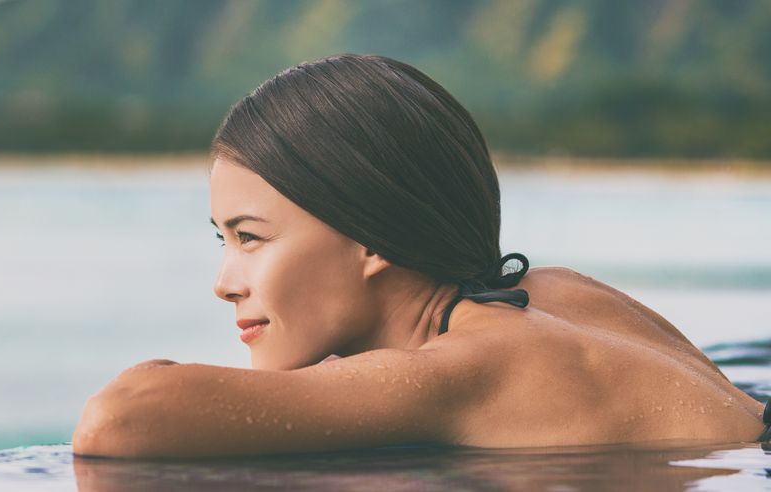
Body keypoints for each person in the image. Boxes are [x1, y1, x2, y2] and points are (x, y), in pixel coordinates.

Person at [71, 54, 770, 458]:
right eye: (223, 241)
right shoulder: (560, 294)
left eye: (251, 238)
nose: (225, 284)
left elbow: (120, 419)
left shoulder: (456, 372)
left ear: (371, 235)